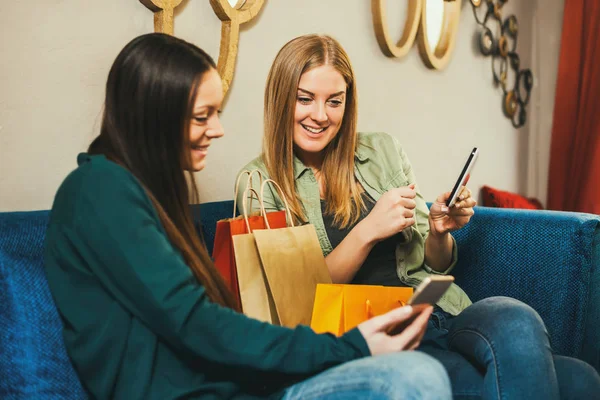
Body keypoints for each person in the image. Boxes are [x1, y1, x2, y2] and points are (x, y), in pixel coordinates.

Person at [43, 33, 452, 400]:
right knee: (415, 376)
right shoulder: (99, 192)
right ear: (154, 116)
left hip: (245, 384)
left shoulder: (144, 193)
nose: (218, 130)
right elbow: (199, 325)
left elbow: (210, 321)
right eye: (203, 116)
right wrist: (352, 347)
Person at [237, 34, 600, 400]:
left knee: (518, 319)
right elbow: (295, 304)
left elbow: (435, 264)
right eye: (305, 99)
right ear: (282, 98)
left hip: (441, 309)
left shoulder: (382, 151)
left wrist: (440, 232)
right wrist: (367, 232)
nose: (321, 115)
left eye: (335, 101)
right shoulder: (261, 184)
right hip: (382, 336)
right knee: (578, 383)